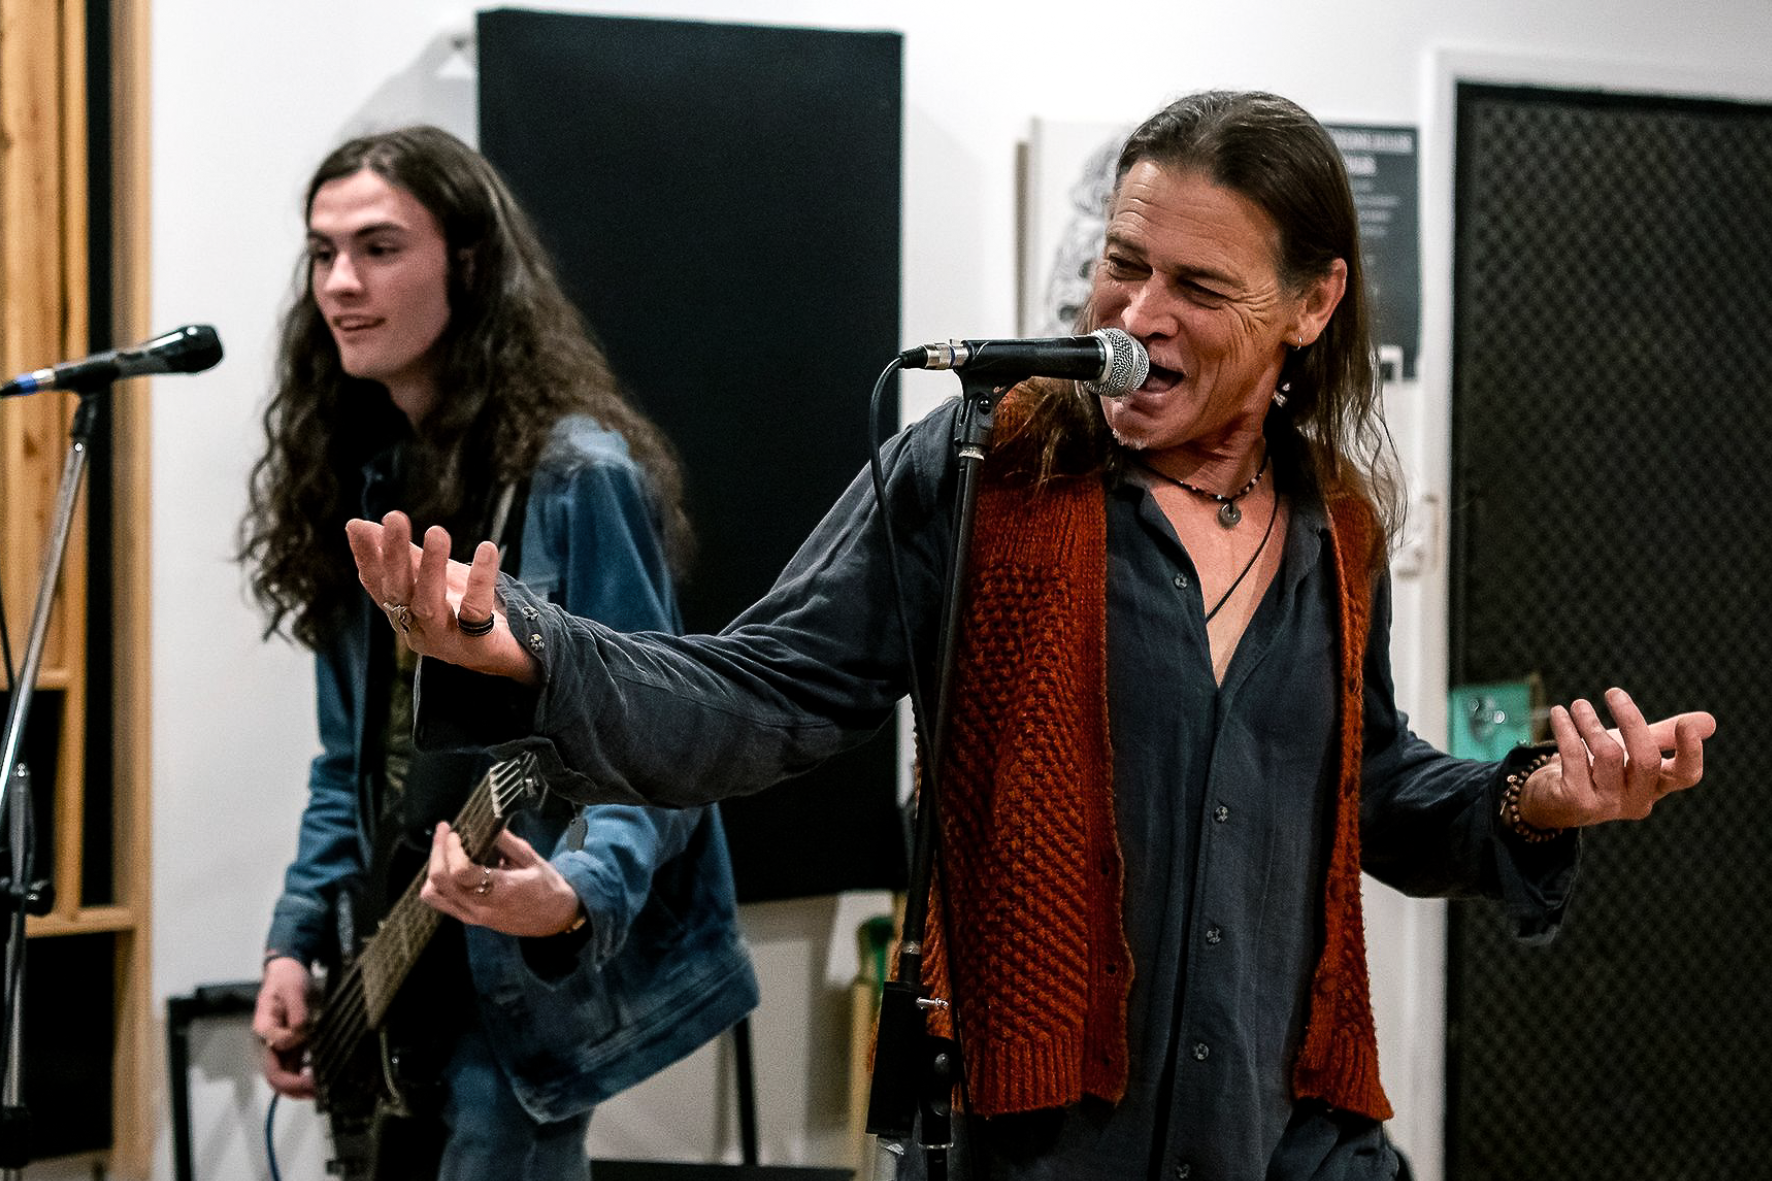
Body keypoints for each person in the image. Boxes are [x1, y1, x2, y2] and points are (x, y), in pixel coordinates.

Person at [342, 93, 1715, 1179]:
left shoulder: (1333, 521)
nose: (1137, 315)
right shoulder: (979, 468)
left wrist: (1534, 798)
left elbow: (1365, 787)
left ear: (1309, 307)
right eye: (1122, 264)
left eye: (1198, 286)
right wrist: (527, 643)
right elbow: (760, 693)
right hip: (1038, 1143)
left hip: (1283, 1135)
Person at [241, 125, 757, 1181]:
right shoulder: (363, 477)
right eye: (323, 253)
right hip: (394, 966)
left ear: (469, 264)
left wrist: (573, 893)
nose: (340, 283)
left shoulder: (577, 477)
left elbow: (659, 747)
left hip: (514, 989)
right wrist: (295, 940)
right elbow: (351, 764)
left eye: (380, 247)